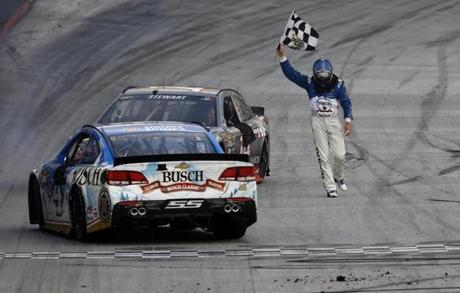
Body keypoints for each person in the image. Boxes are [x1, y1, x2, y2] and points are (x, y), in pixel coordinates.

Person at [276, 44, 353, 198]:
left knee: (340, 155)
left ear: (331, 75)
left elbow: (346, 103)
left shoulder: (339, 85)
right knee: (324, 156)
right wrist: (282, 56)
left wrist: (348, 120)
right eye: (321, 77)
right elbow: (292, 74)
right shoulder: (309, 82)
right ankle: (330, 186)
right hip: (317, 122)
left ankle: (338, 176)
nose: (323, 81)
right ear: (316, 75)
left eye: (326, 77)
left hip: (333, 121)